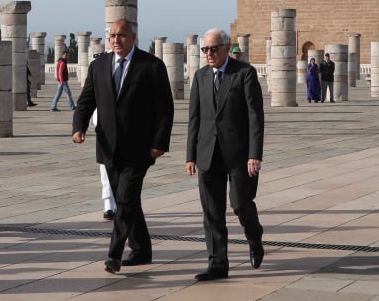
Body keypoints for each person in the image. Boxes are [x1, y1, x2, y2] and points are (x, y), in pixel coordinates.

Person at [72, 18, 174, 273]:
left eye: (122, 36)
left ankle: (114, 254)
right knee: (126, 200)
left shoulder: (151, 66)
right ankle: (141, 250)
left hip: (139, 148)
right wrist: (79, 127)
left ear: (133, 38)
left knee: (126, 199)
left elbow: (164, 109)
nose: (116, 40)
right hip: (109, 147)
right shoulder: (99, 65)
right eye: (113, 36)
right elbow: (86, 100)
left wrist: (159, 142)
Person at [186, 28, 265, 281]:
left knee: (240, 204)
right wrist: (190, 155)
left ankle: (254, 238)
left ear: (226, 47)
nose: (209, 54)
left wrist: (255, 154)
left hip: (239, 155)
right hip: (208, 154)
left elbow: (255, 117)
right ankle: (217, 264)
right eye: (205, 50)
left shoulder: (244, 74)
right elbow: (194, 118)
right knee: (212, 212)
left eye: (213, 49)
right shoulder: (200, 77)